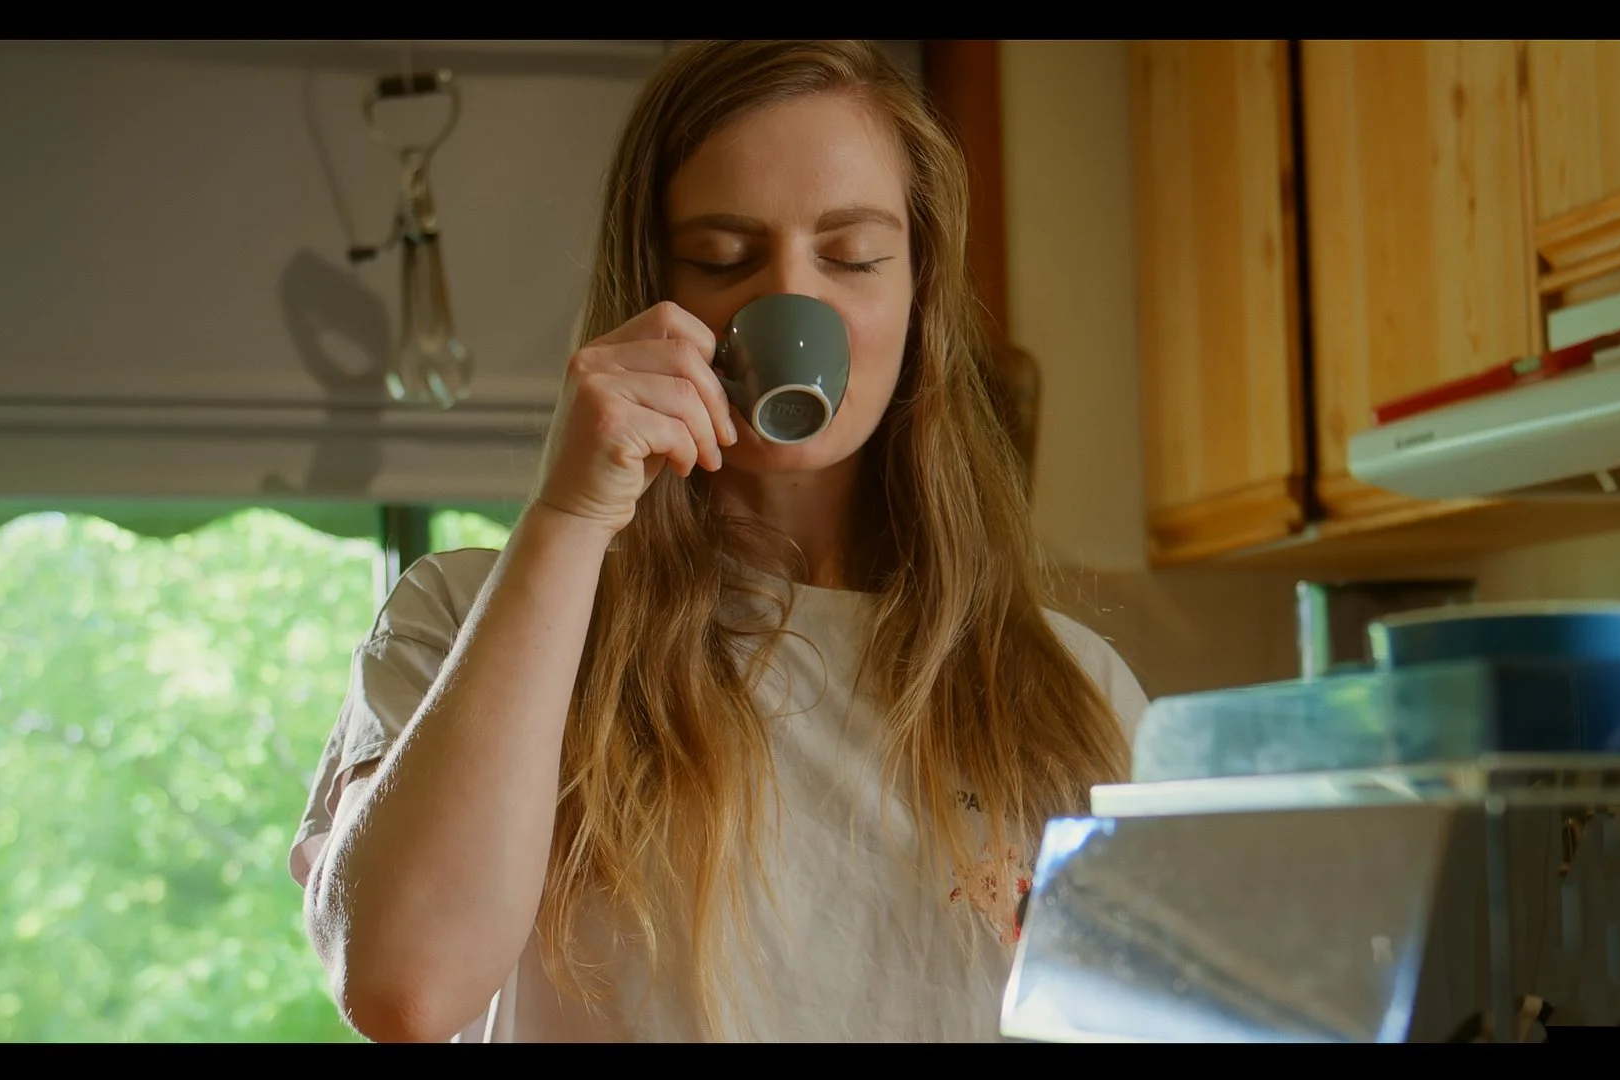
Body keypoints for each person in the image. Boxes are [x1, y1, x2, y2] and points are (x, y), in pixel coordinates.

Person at [289, 39, 1147, 1044]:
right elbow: (405, 989)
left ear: (920, 298)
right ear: (648, 289)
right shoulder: (467, 619)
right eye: (722, 259)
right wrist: (570, 519)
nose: (793, 301)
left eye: (854, 256)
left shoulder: (1073, 693)